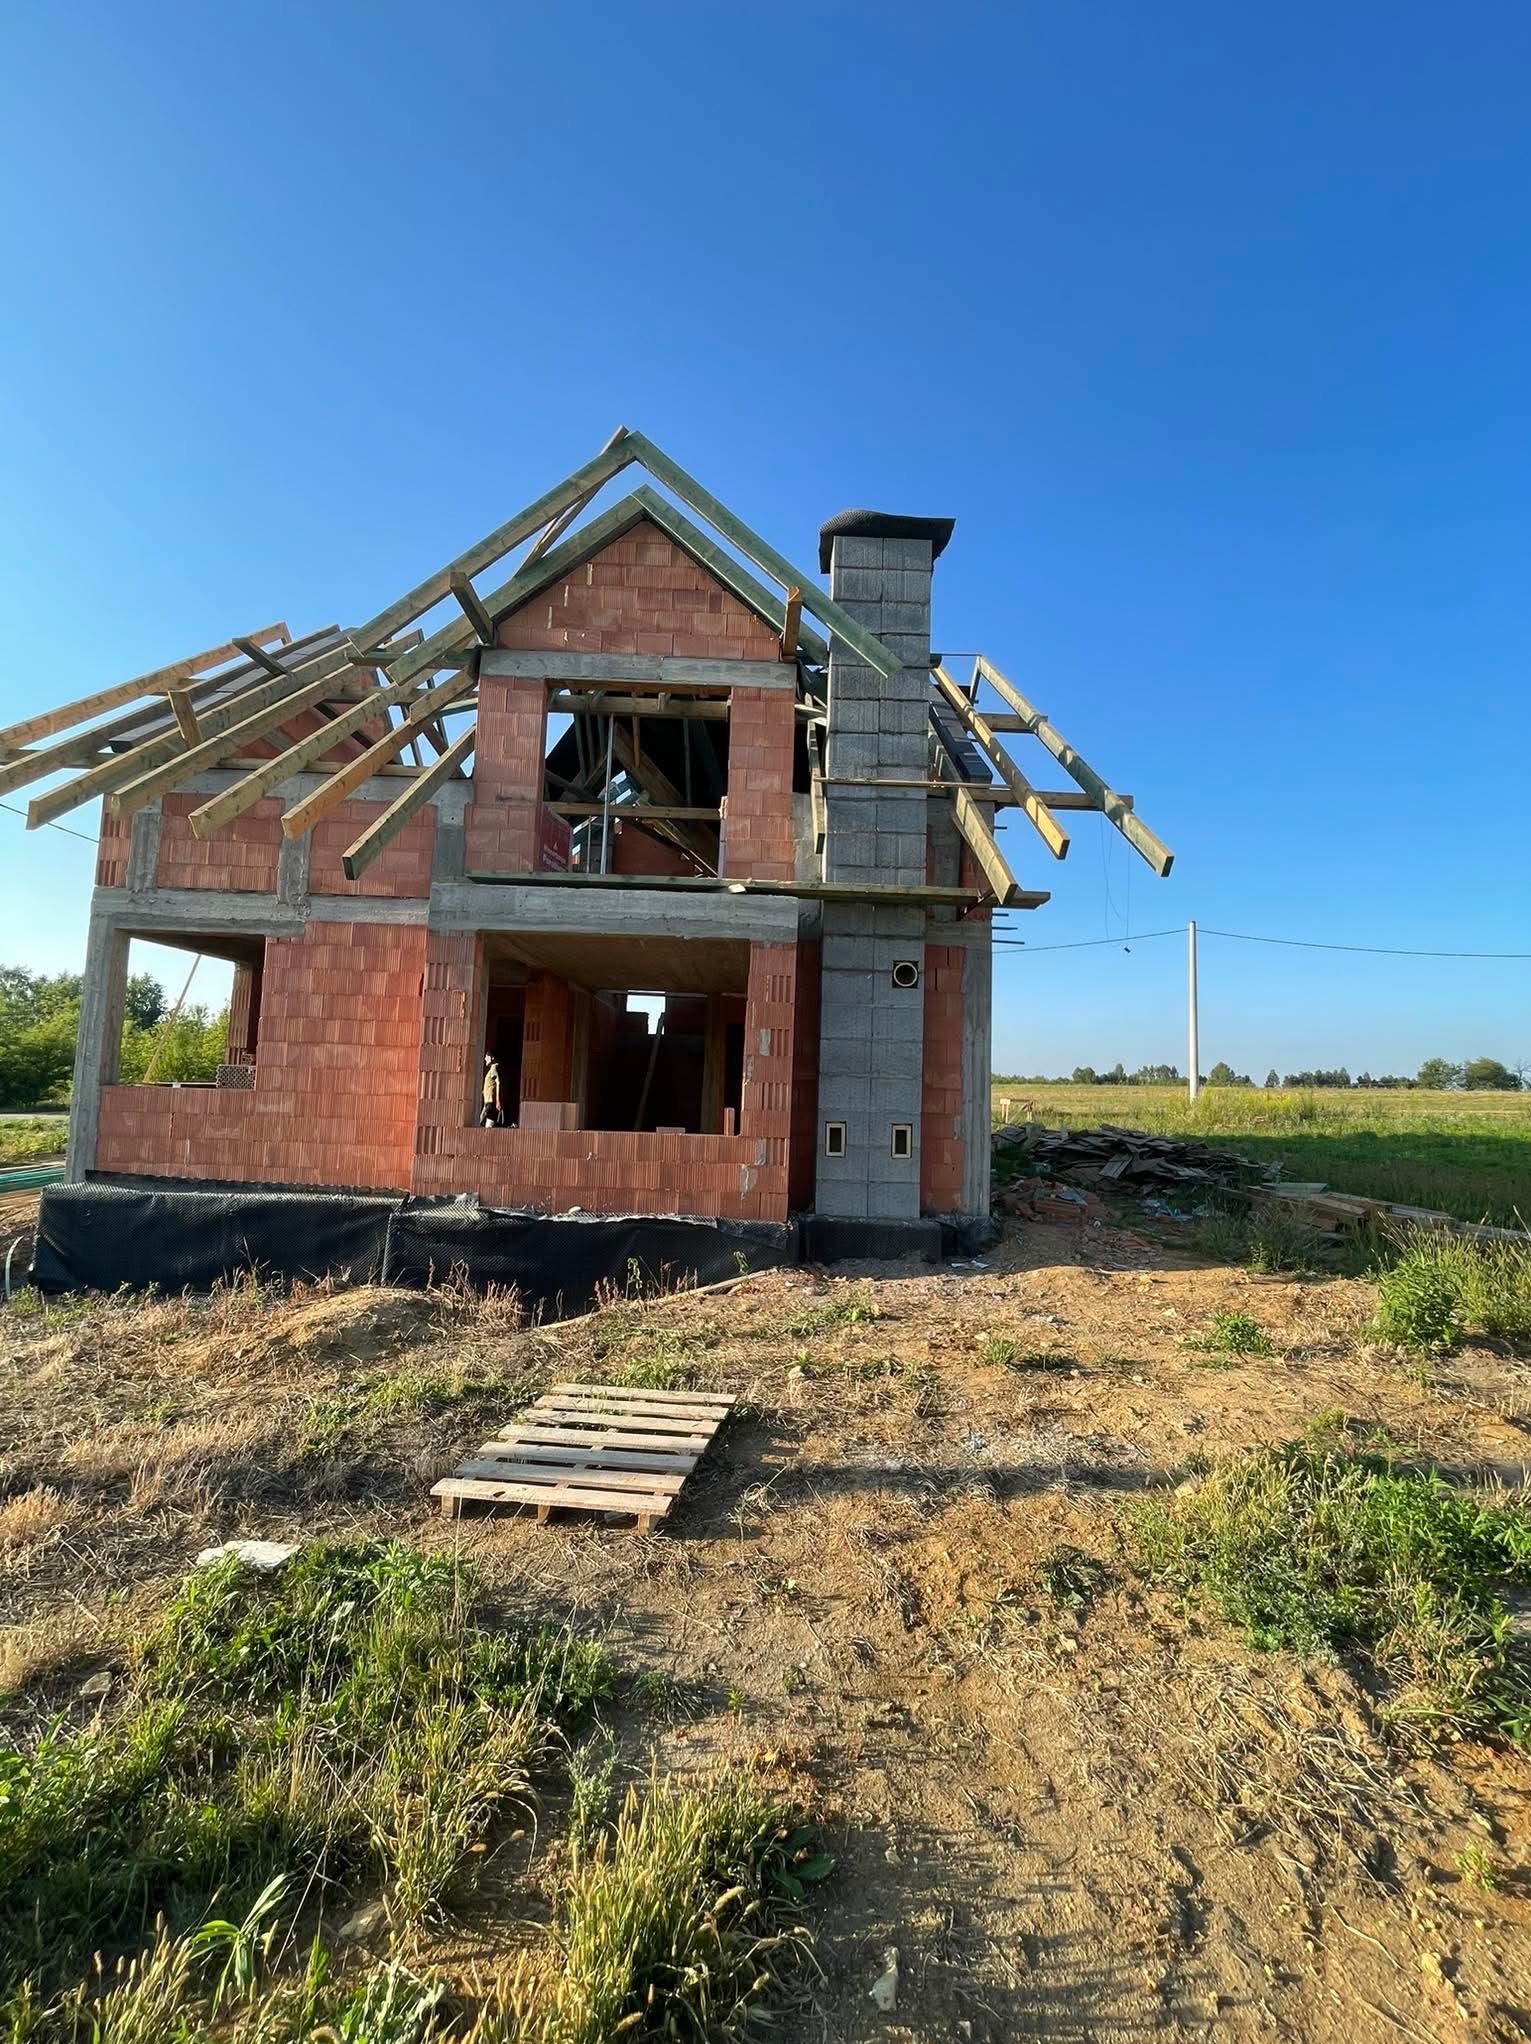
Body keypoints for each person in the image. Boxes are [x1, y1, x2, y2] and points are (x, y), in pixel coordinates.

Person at [480, 1053, 503, 1127]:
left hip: (491, 1103)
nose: (485, 1059)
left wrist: (498, 1101)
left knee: (488, 1127)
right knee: (482, 1122)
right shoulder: (491, 1069)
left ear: (492, 1058)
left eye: (487, 1057)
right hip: (488, 1103)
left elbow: (498, 1083)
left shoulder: (494, 1068)